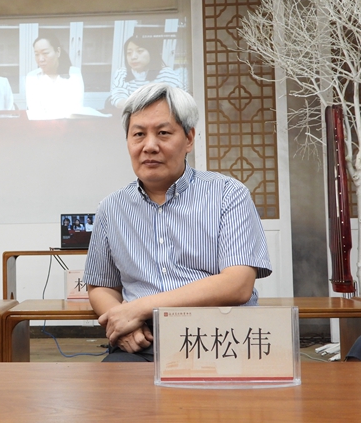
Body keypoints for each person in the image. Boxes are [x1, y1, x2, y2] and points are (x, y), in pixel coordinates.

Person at [83, 83, 272, 362]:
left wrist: (138, 309)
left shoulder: (228, 194)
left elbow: (238, 284)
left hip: (221, 342)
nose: (149, 146)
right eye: (138, 134)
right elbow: (101, 285)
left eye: (163, 133)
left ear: (189, 139)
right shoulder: (111, 208)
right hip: (144, 344)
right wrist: (121, 323)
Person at [109, 35, 184, 110]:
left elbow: (173, 101)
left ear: (152, 52)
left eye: (140, 51)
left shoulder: (167, 73)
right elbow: (118, 97)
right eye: (129, 53)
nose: (133, 57)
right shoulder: (122, 73)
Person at [25, 32, 84, 118]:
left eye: (45, 53)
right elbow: (35, 112)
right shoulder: (32, 77)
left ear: (58, 52)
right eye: (37, 54)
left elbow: (75, 110)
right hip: (41, 125)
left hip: (68, 125)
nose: (40, 59)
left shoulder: (73, 74)